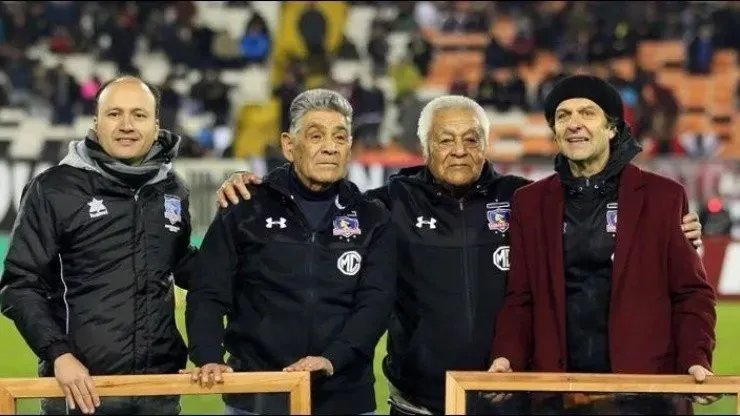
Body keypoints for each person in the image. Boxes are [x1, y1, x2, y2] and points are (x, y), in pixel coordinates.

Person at [215, 95, 705, 415]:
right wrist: (255, 185)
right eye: (445, 140)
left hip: (511, 398)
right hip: (419, 404)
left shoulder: (524, 200)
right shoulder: (388, 204)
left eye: (471, 139)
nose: (459, 150)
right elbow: (318, 203)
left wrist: (680, 230)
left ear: (487, 145)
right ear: (425, 147)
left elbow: (588, 232)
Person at [489, 75, 717, 415]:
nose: (574, 124)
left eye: (587, 113)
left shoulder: (663, 198)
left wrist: (695, 358)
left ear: (612, 129)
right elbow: (520, 298)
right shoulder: (529, 204)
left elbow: (690, 293)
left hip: (643, 395)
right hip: (559, 394)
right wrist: (506, 356)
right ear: (554, 132)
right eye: (563, 116)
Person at [184, 89, 396, 415]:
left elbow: (376, 303)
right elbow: (209, 289)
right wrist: (208, 356)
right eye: (316, 136)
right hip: (256, 396)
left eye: (340, 137)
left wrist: (332, 359)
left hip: (344, 398)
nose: (330, 146)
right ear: (288, 145)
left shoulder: (372, 216)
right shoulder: (245, 207)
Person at [0, 76, 195, 415]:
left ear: (156, 124)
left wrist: (241, 222)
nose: (126, 125)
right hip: (81, 392)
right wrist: (58, 354)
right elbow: (19, 284)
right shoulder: (54, 188)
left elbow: (183, 265)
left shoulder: (172, 188)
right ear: (96, 122)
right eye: (114, 114)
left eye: (138, 114)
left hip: (159, 391)